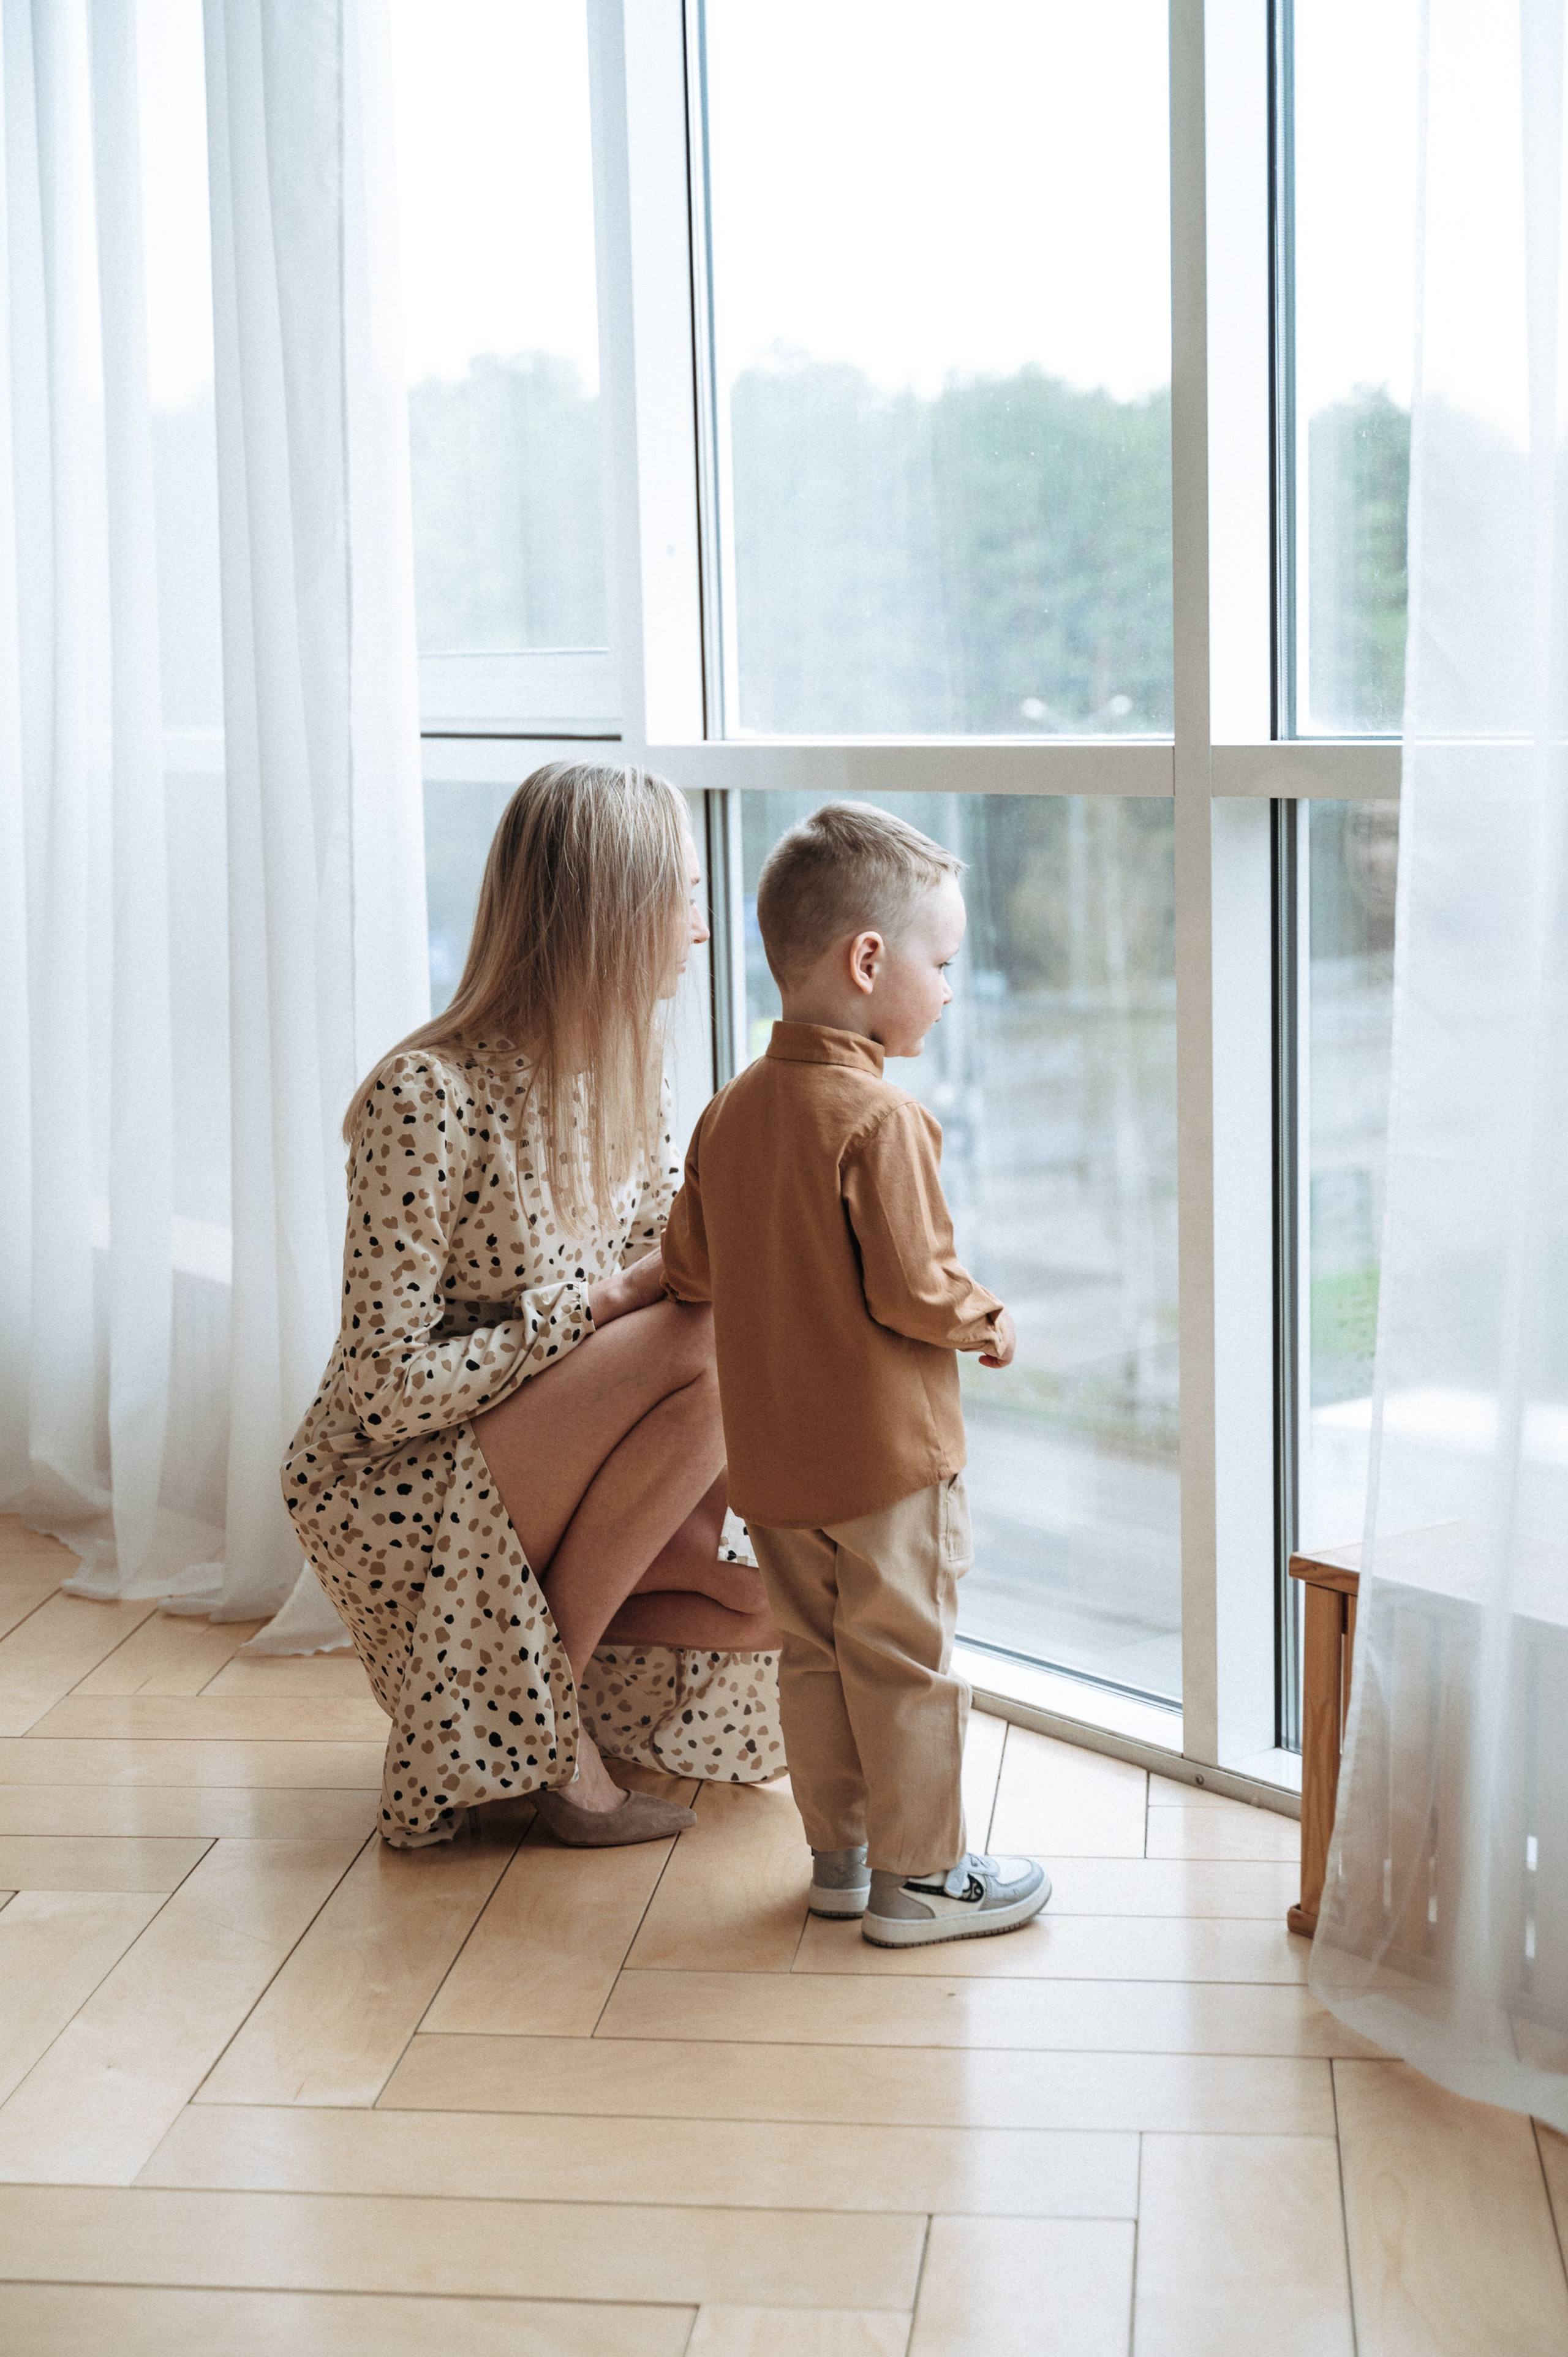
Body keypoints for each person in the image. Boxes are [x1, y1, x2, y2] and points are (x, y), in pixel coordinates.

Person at [282, 762, 783, 1850]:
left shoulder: (623, 1075)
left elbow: (668, 1259)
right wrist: (597, 1302)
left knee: (779, 1599)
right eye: (687, 896)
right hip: (402, 1476)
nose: (704, 930)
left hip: (548, 1442)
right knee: (709, 1339)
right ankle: (552, 1752)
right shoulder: (427, 1095)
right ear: (615, 908)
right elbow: (381, 1389)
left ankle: (517, 1710)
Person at [661, 802, 1051, 1947]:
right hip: (888, 1467)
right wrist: (989, 1320)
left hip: (775, 1470)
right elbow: (916, 1286)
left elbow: (688, 1266)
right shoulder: (881, 1118)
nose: (946, 988)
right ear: (868, 961)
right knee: (906, 1664)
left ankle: (842, 1858)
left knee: (816, 1660)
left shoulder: (729, 1114)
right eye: (941, 963)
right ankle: (925, 1879)